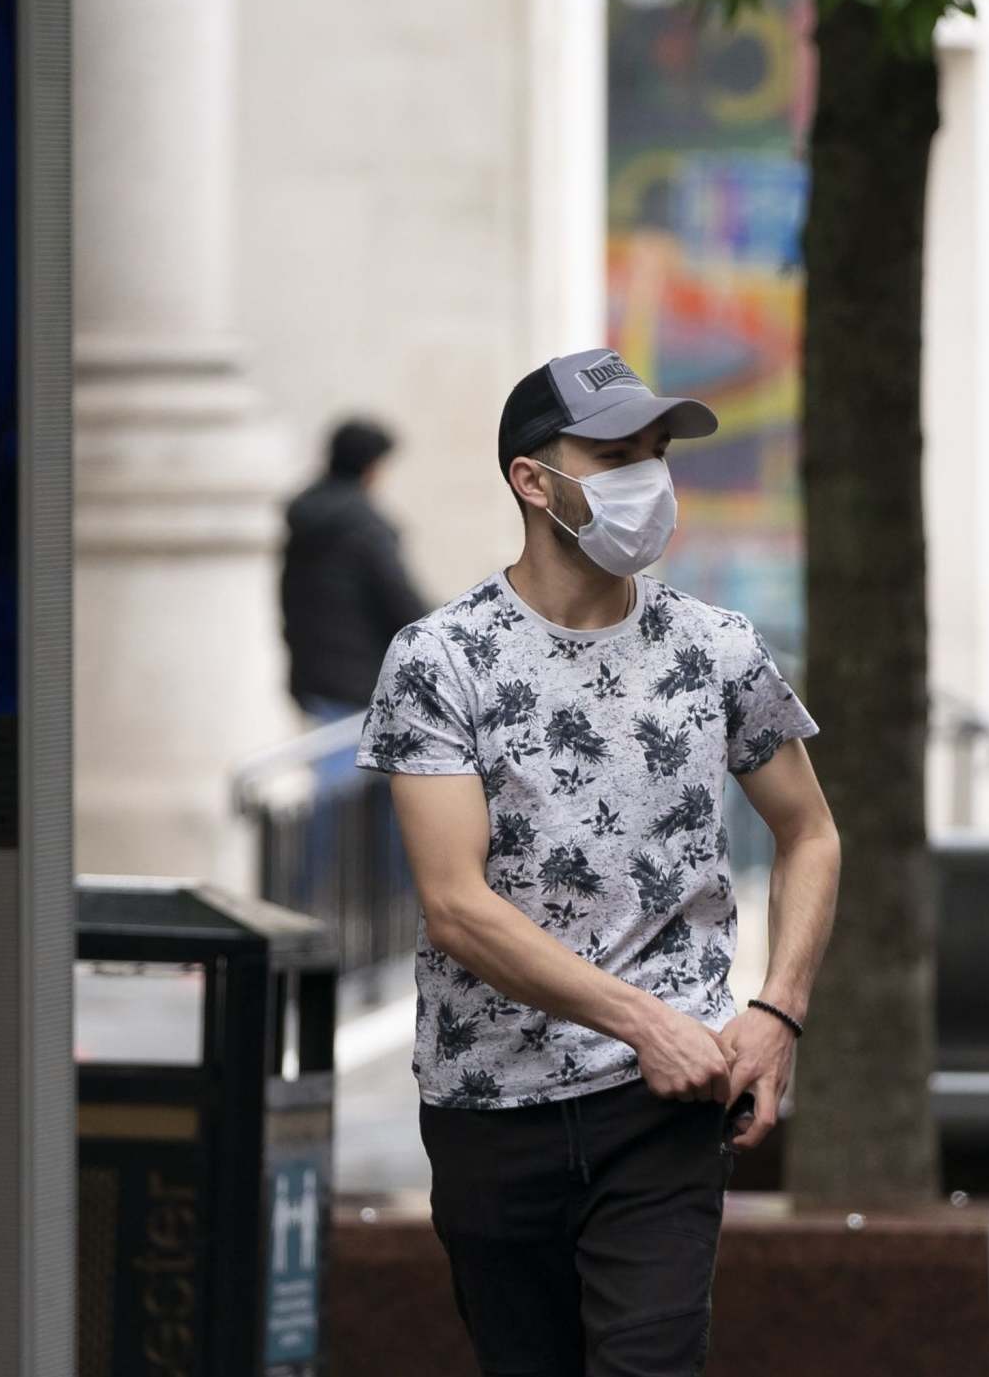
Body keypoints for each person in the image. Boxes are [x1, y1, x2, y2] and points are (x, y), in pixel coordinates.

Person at [356, 348, 841, 1377]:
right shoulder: (440, 659)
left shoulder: (715, 648)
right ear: (532, 480)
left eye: (656, 454)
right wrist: (645, 1021)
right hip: (489, 1102)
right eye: (615, 455)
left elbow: (809, 833)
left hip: (659, 1111)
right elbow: (454, 904)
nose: (648, 481)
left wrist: (777, 1009)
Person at [282, 417, 428, 722]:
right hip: (357, 678)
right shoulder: (364, 527)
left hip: (311, 675)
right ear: (372, 466)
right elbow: (399, 601)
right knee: (349, 766)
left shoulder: (305, 516)